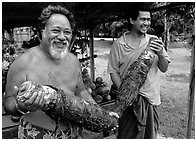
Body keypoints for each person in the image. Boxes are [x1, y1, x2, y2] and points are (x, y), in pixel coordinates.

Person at [3, 5, 117, 139]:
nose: (62, 37)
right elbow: (8, 102)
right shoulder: (22, 63)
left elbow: (81, 91)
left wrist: (101, 113)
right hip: (37, 134)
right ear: (42, 31)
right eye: (56, 31)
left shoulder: (73, 60)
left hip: (72, 133)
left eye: (67, 32)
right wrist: (20, 106)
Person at [107, 3, 171, 139]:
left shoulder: (154, 42)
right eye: (143, 19)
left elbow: (164, 68)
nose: (146, 23)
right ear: (132, 20)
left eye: (148, 19)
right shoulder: (119, 44)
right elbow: (113, 72)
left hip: (150, 101)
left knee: (148, 136)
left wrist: (160, 53)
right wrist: (127, 94)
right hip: (128, 104)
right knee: (126, 135)